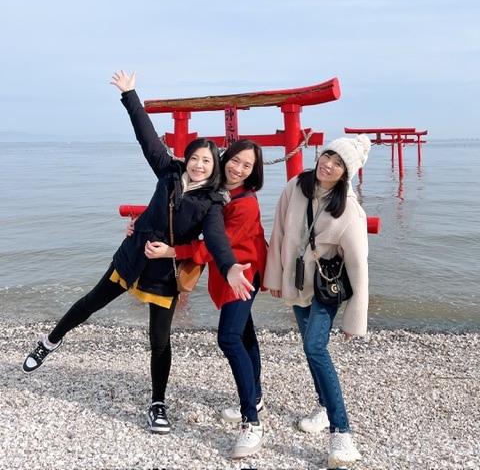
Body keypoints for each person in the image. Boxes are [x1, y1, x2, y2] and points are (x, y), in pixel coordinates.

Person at [22, 70, 254, 436]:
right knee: (89, 303)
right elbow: (146, 138)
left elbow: (216, 241)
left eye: (207, 162)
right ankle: (49, 342)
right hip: (131, 259)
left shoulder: (211, 204)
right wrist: (131, 95)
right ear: (187, 157)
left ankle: (157, 403)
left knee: (160, 343)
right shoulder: (168, 173)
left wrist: (228, 268)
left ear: (214, 169)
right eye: (195, 157)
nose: (198, 165)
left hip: (164, 277)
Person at [130, 139, 268, 459]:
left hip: (243, 276)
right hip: (230, 277)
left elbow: (210, 248)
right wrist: (139, 226)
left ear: (253, 172)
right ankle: (256, 395)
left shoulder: (245, 203)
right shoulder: (213, 190)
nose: (237, 169)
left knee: (230, 338)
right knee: (245, 334)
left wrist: (172, 252)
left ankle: (252, 421)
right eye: (233, 161)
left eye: (246, 166)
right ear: (224, 159)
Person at [263, 134, 371, 468]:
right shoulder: (296, 185)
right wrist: (274, 278)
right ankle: (325, 408)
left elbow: (358, 268)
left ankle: (342, 434)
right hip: (296, 282)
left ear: (345, 174)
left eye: (338, 163)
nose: (328, 164)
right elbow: (279, 232)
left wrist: (354, 321)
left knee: (314, 348)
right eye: (327, 156)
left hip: (325, 289)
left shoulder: (350, 212)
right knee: (310, 347)